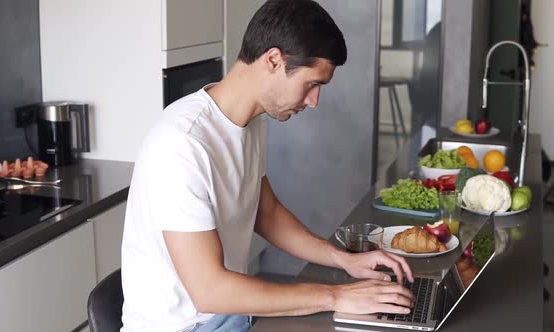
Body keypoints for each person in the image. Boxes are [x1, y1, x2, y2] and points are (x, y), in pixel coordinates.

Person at [120, 1, 415, 331]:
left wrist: (345, 260)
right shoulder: (181, 145)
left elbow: (267, 213)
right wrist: (335, 296)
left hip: (227, 316)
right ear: (274, 60)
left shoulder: (249, 121)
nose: (314, 101)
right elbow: (209, 291)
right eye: (312, 84)